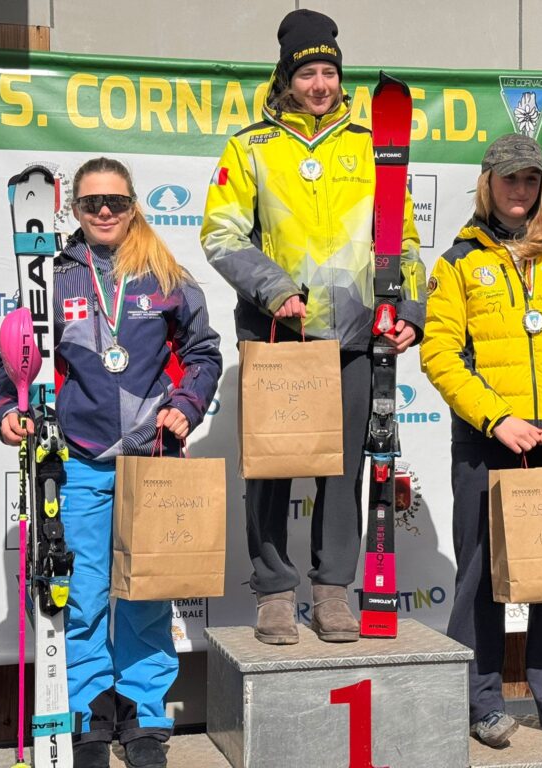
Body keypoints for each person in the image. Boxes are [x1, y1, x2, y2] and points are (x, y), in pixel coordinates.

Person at [201, 8, 426, 645]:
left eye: (329, 72)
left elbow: (403, 240)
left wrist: (409, 311)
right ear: (287, 77)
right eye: (307, 74)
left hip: (355, 335)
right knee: (272, 467)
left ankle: (332, 592)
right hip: (279, 334)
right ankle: (274, 591)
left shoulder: (371, 145)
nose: (320, 85)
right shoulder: (251, 146)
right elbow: (220, 234)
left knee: (344, 469)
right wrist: (274, 290)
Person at [0, 157, 222, 768]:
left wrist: (187, 405)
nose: (103, 211)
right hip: (79, 458)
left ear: (132, 205)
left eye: (115, 202)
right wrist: (8, 409)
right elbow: (16, 357)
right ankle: (90, 711)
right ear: (73, 208)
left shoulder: (165, 274)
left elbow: (204, 352)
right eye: (91, 202)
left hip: (150, 460)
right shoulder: (53, 275)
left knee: (146, 596)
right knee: (83, 596)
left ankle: (143, 713)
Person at [420, 133, 542, 747]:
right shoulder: (458, 263)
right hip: (488, 441)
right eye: (510, 179)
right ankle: (480, 703)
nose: (520, 190)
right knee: (480, 576)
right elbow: (440, 353)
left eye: (531, 179)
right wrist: (497, 419)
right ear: (488, 183)